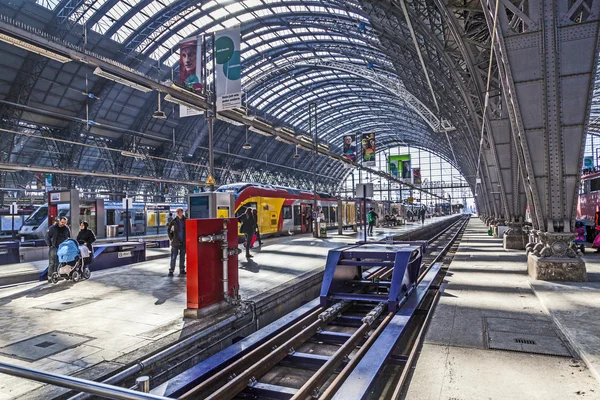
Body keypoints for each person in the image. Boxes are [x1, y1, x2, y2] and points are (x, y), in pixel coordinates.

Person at [45, 217, 71, 282]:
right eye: (62, 222)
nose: (63, 224)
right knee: (52, 263)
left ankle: (59, 275)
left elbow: (69, 237)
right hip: (54, 247)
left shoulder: (66, 228)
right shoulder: (53, 228)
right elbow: (47, 237)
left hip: (63, 248)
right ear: (59, 221)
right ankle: (50, 277)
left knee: (61, 262)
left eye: (65, 223)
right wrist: (50, 245)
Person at [167, 207, 186, 277]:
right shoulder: (174, 221)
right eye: (176, 211)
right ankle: (171, 270)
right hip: (175, 242)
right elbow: (169, 230)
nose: (177, 213)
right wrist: (171, 238)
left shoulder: (186, 220)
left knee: (182, 257)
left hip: (183, 241)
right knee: (173, 256)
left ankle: (182, 269)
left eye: (178, 211)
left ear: (182, 212)